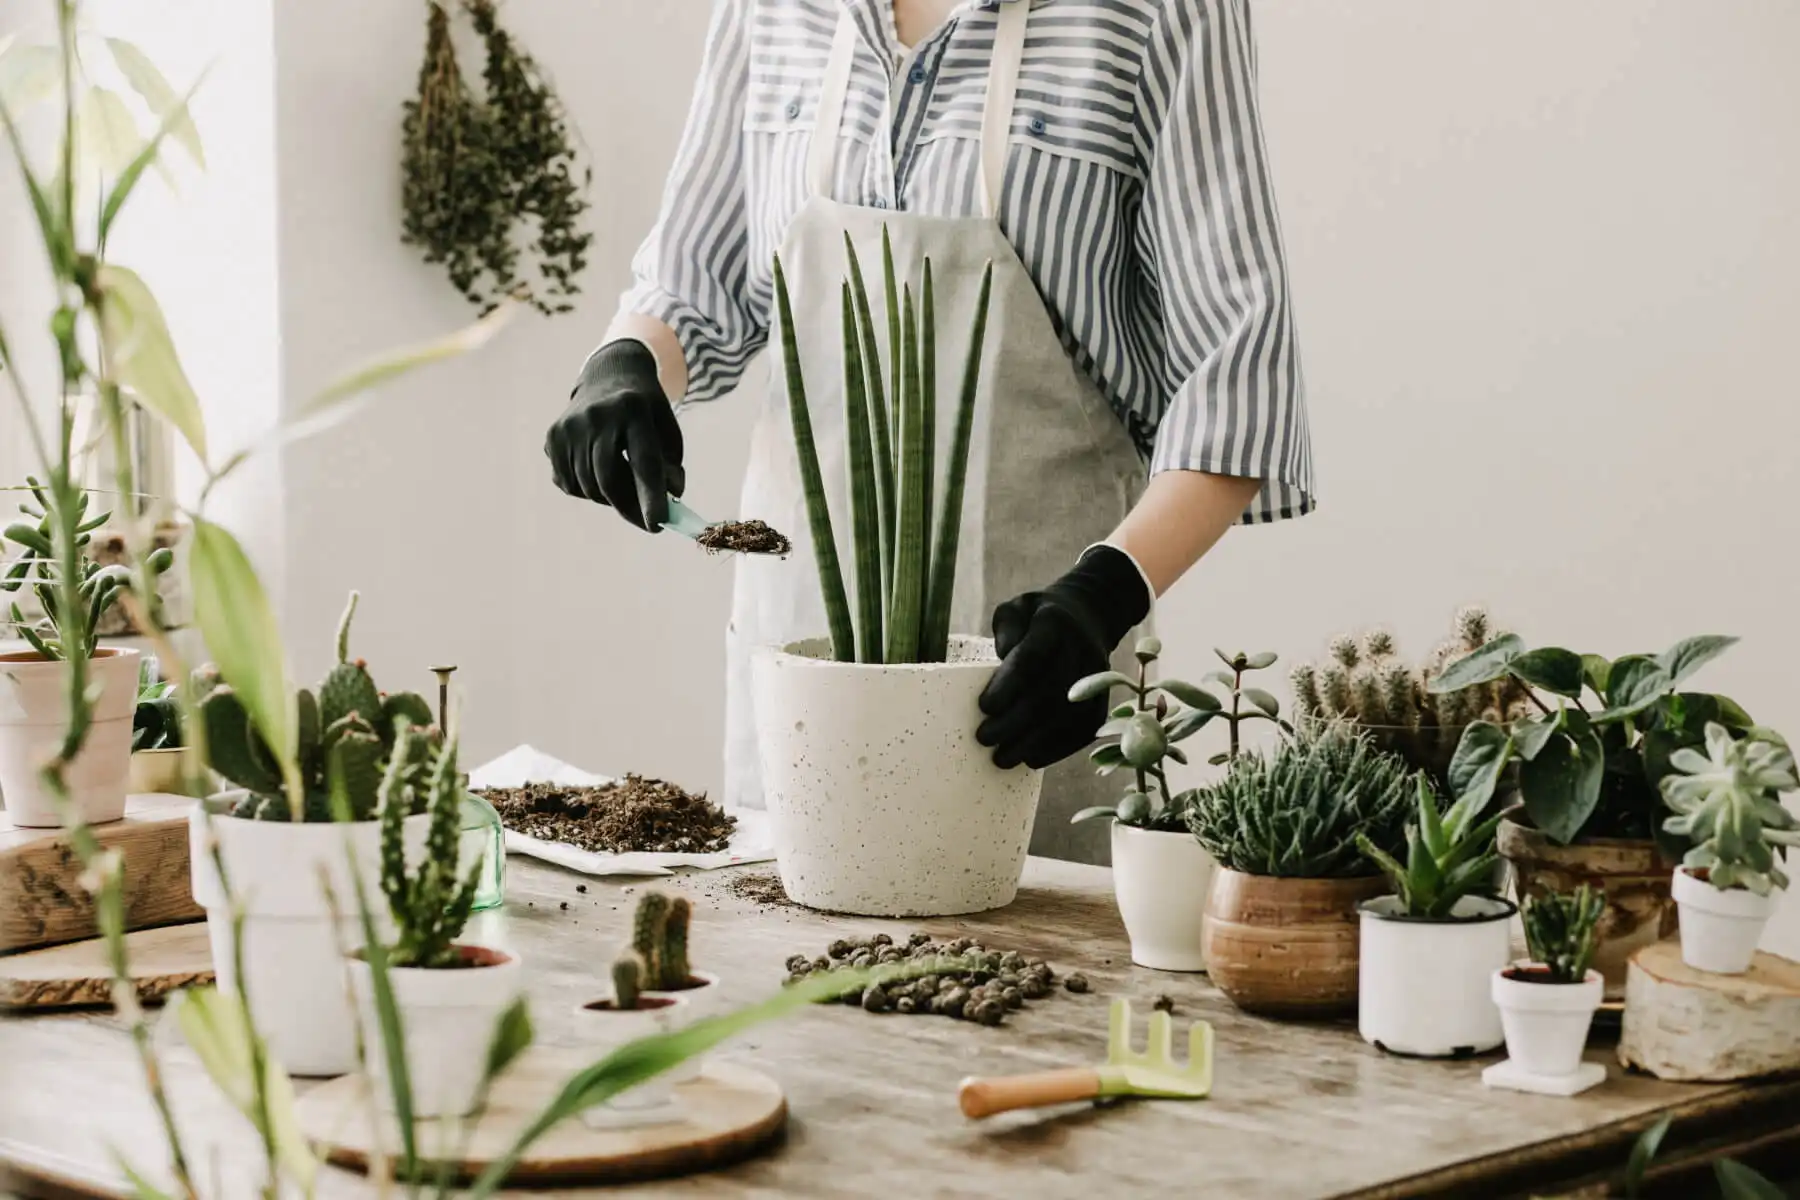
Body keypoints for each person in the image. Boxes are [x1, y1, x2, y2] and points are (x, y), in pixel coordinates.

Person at [545, 0, 1312, 864]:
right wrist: (627, 361)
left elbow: (1236, 376)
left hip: (1028, 674)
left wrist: (1103, 599)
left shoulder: (1157, 13)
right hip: (804, 673)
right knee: (792, 973)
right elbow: (694, 278)